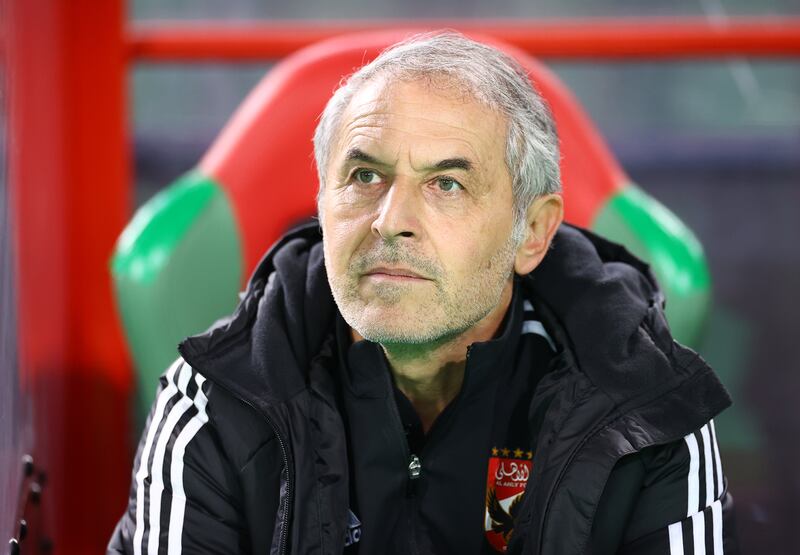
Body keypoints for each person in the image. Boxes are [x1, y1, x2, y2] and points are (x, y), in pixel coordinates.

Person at [108, 32, 737, 554]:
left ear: (534, 233)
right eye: (363, 175)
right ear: (322, 204)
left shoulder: (651, 409)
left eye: (447, 185)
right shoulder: (211, 402)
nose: (390, 220)